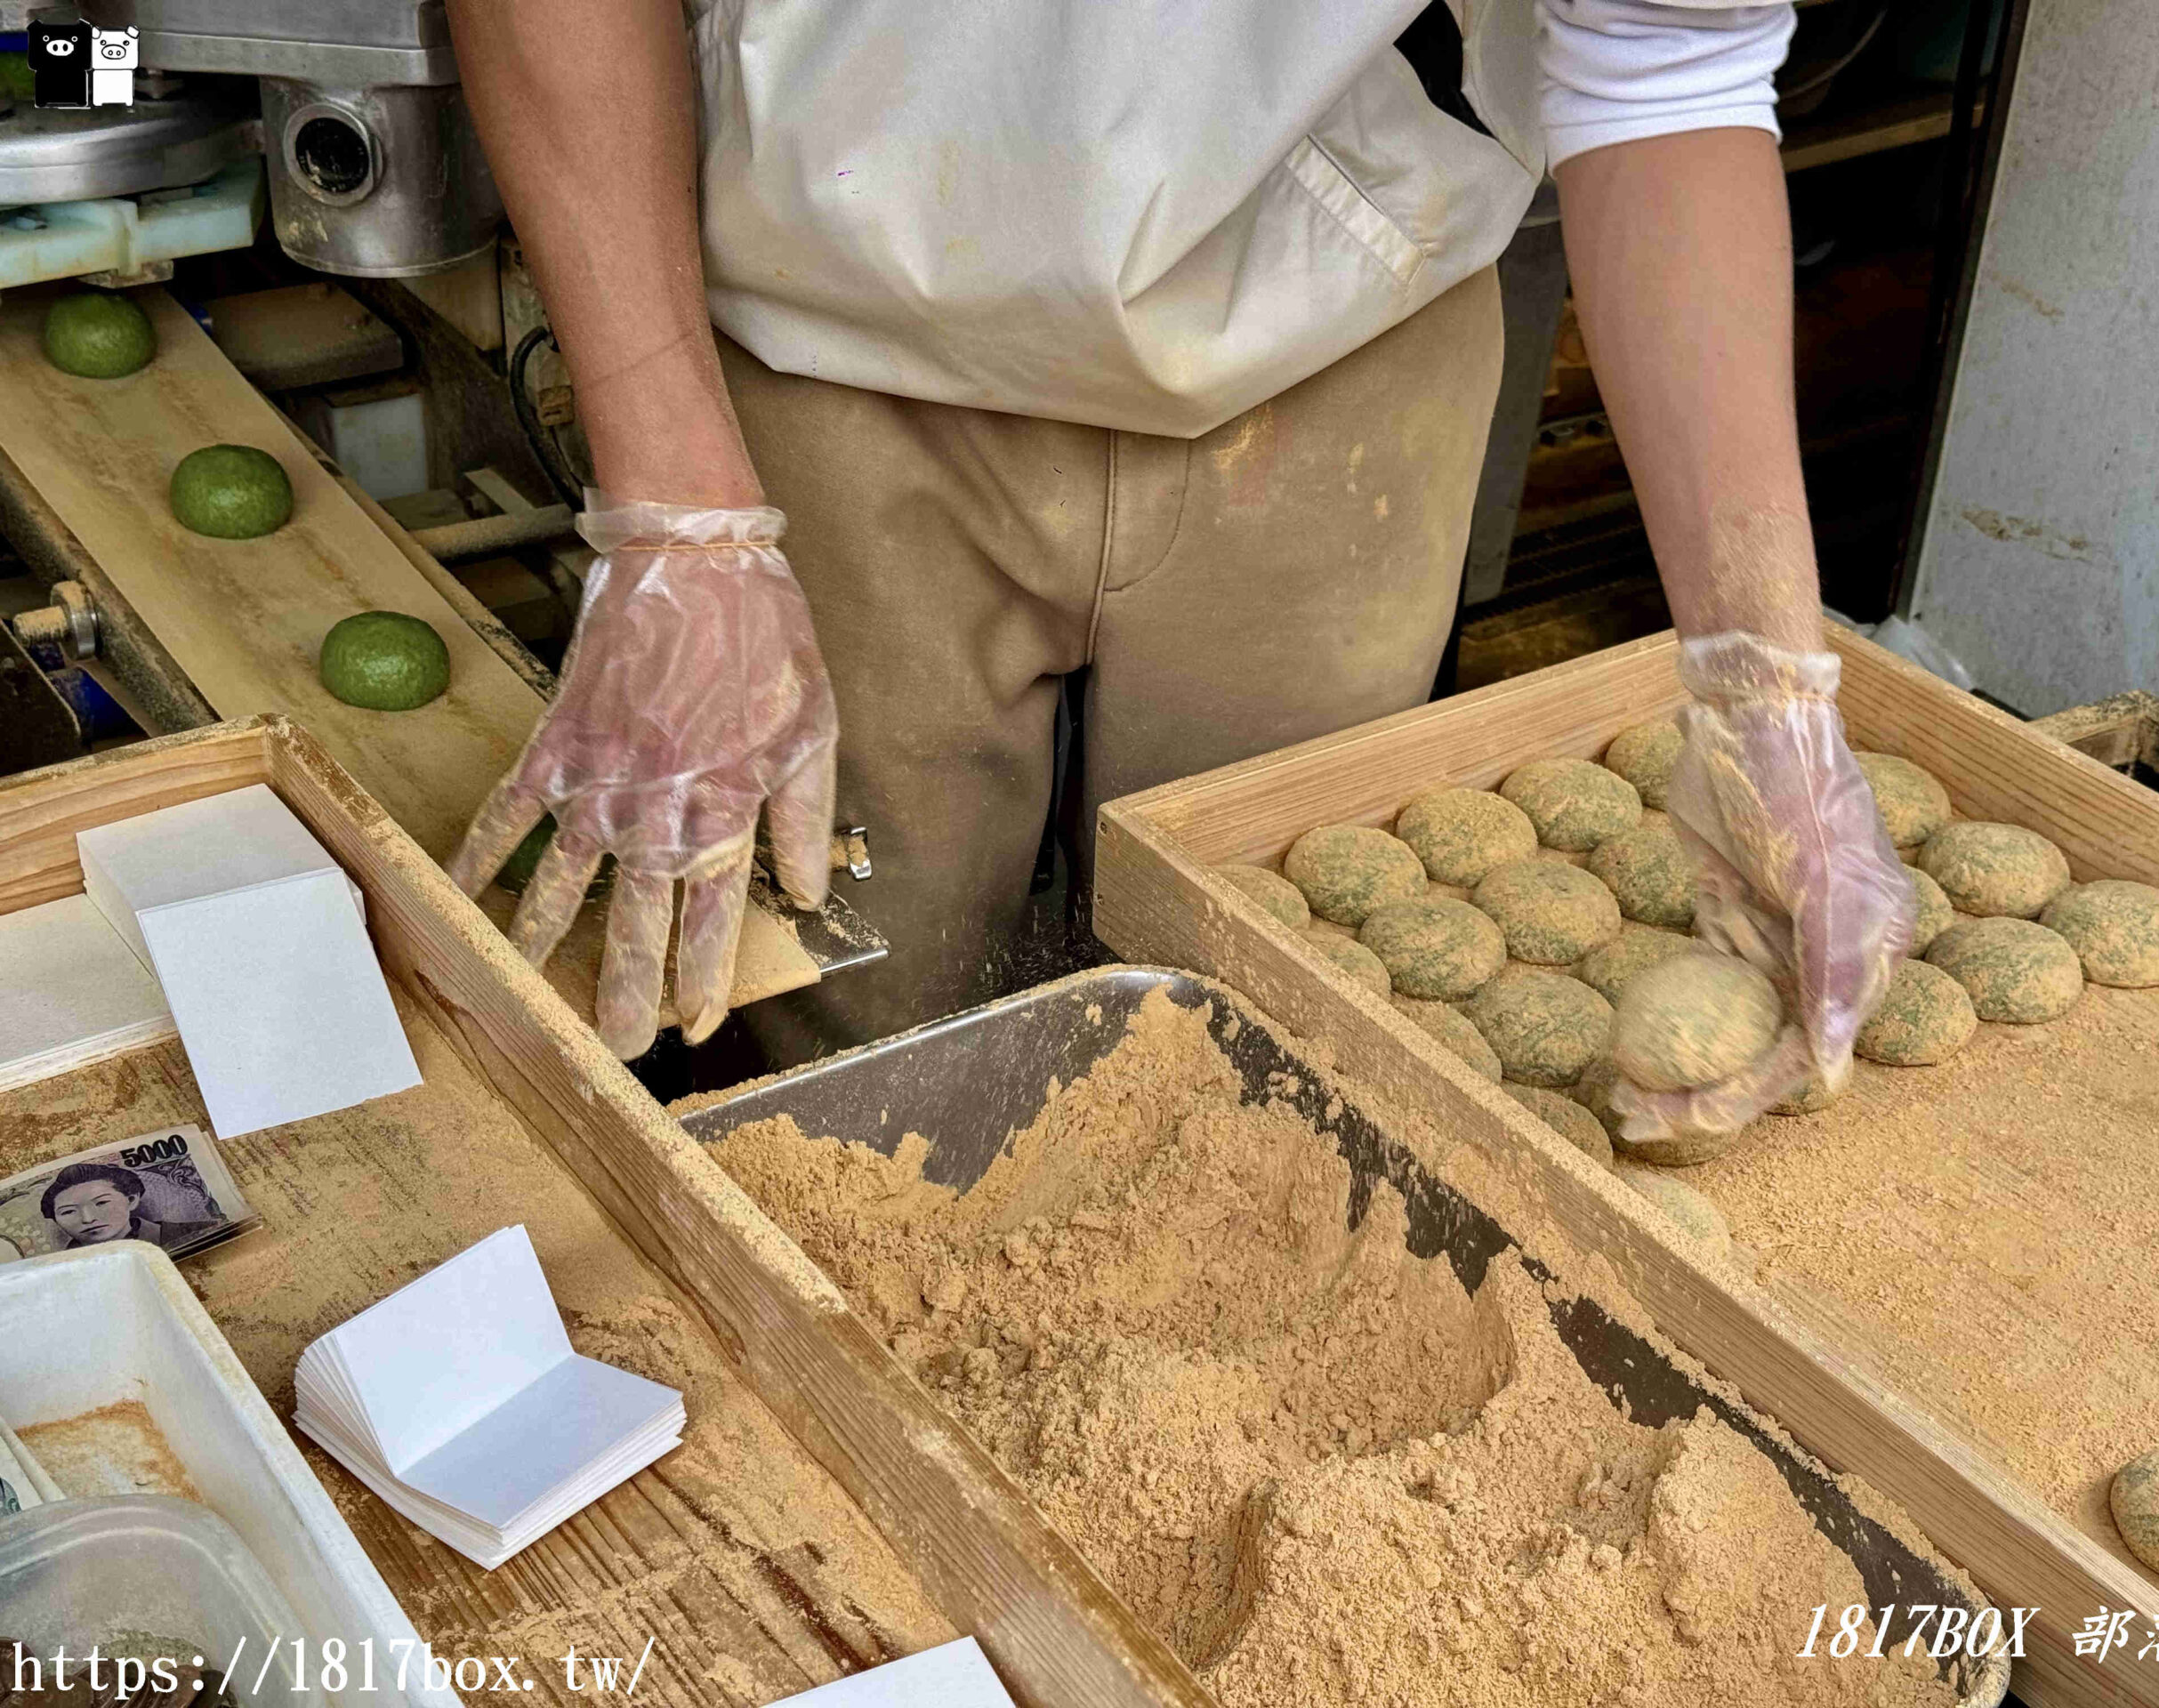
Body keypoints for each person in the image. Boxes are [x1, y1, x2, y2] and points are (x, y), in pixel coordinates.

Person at [446, 0, 1913, 1131]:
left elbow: (1661, 66)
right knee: (840, 1037)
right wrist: (676, 508)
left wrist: (1761, 673)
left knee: (1277, 1033)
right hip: (819, 325)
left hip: (1335, 333)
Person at [40, 1164, 220, 1252]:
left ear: (132, 1200)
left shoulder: (207, 1233)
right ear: (56, 1220)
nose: (88, 1219)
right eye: (69, 1212)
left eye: (101, 1203)